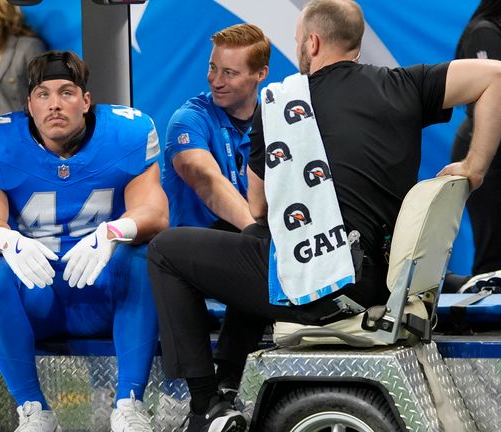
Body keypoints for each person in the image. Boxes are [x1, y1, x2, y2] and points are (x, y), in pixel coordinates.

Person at [146, 0, 501, 431]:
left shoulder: (278, 105)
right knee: (259, 247)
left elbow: (260, 209)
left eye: (297, 41)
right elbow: (495, 76)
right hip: (384, 285)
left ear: (312, 43)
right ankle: (228, 385)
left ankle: (204, 407)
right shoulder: (406, 85)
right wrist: (474, 167)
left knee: (167, 250)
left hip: (321, 289)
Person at [0, 51, 168, 432]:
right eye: (43, 95)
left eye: (66, 92)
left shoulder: (127, 132)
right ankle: (34, 410)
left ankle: (129, 403)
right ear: (28, 105)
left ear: (86, 100)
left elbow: (155, 211)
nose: (55, 105)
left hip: (104, 293)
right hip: (39, 294)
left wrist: (113, 232)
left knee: (143, 256)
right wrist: (8, 240)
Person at [162, 23, 269, 232]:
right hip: (196, 252)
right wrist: (258, 237)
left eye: (229, 72)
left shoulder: (276, 121)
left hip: (257, 249)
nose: (216, 81)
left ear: (260, 74)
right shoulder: (188, 119)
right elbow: (205, 179)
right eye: (212, 68)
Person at [452, 0, 501, 275]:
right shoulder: (484, 32)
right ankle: (486, 317)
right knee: (493, 255)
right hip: (486, 155)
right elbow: (489, 101)